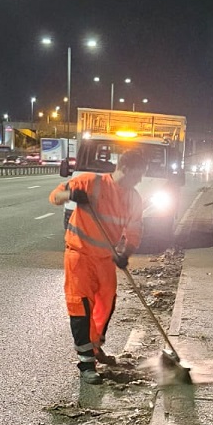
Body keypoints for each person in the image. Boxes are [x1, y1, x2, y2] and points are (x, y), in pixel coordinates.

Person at [49, 149, 146, 385]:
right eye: (138, 174)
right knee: (81, 307)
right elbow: (55, 197)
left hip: (105, 260)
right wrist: (72, 194)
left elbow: (134, 230)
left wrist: (126, 253)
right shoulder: (92, 183)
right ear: (125, 168)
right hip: (79, 256)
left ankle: (94, 347)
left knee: (106, 304)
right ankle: (86, 363)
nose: (140, 179)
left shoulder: (134, 198)